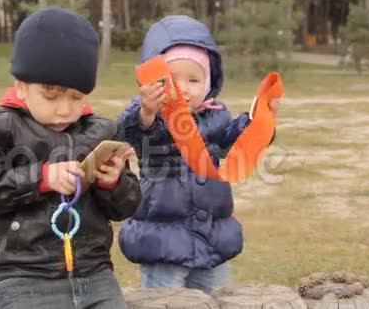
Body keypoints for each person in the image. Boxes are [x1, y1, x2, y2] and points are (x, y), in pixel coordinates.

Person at [0, 7, 141, 309]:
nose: (66, 110)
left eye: (77, 97)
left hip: (95, 273)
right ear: (21, 87)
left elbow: (127, 206)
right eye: (51, 97)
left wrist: (114, 184)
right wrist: (41, 178)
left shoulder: (103, 130)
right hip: (22, 276)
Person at [118, 15, 279, 293]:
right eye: (172, 79)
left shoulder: (216, 115)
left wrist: (259, 121)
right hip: (163, 238)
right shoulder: (152, 118)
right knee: (164, 299)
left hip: (210, 236)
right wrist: (146, 112)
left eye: (193, 79)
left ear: (209, 81)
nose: (182, 87)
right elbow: (134, 133)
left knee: (217, 297)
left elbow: (233, 141)